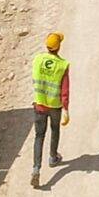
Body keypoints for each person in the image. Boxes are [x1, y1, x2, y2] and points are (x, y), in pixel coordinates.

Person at [30, 31, 69, 188]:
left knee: (39, 136)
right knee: (55, 130)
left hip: (39, 103)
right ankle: (53, 157)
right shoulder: (62, 65)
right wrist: (66, 108)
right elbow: (65, 89)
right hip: (54, 105)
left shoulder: (38, 59)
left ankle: (36, 169)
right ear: (58, 47)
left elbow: (34, 77)